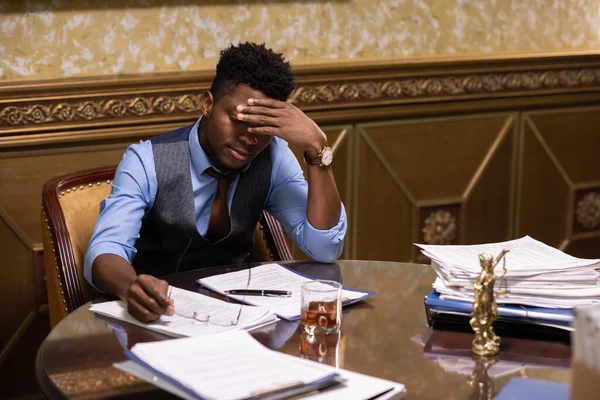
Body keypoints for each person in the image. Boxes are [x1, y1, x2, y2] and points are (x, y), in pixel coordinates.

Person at [84, 42, 347, 323]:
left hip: (241, 321)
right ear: (207, 104)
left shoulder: (274, 157)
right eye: (236, 120)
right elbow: (105, 250)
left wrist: (317, 150)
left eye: (263, 127)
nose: (249, 138)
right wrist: (131, 287)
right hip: (158, 320)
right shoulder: (147, 160)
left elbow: (325, 248)